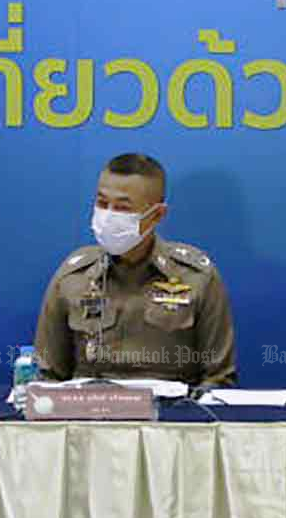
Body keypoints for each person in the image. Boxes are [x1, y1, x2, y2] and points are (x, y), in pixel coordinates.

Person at [34, 152, 237, 387]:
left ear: (157, 215)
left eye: (122, 208)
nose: (108, 216)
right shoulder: (73, 276)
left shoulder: (196, 277)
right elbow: (48, 376)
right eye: (102, 203)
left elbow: (219, 379)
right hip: (89, 416)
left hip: (170, 418)